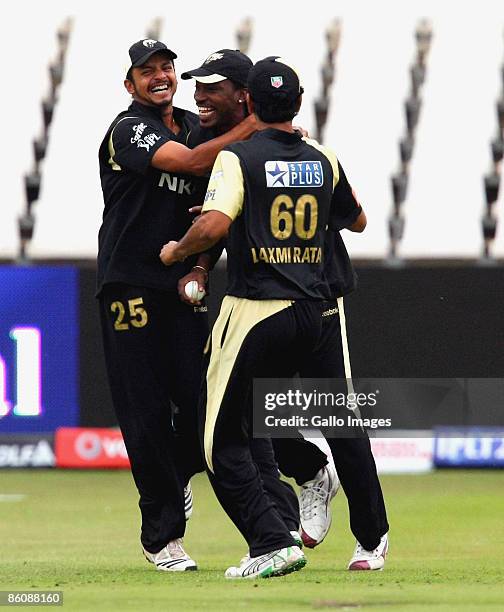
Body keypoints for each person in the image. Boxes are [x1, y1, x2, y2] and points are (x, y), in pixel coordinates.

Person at [159, 55, 385, 578]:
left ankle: (269, 541)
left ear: (251, 104)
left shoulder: (237, 158)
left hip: (259, 309)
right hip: (320, 304)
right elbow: (360, 221)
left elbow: (214, 225)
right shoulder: (322, 158)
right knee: (340, 422)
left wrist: (176, 253)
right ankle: (371, 541)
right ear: (299, 103)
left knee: (220, 436)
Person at [97, 39, 256, 572]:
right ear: (130, 84)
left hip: (181, 286)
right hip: (129, 286)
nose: (160, 76)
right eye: (148, 71)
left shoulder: (195, 123)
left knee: (201, 404)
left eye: (167, 67)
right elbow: (190, 162)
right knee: (143, 414)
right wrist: (255, 127)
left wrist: (273, 133)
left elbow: (226, 169)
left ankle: (176, 475)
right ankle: (162, 537)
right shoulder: (129, 128)